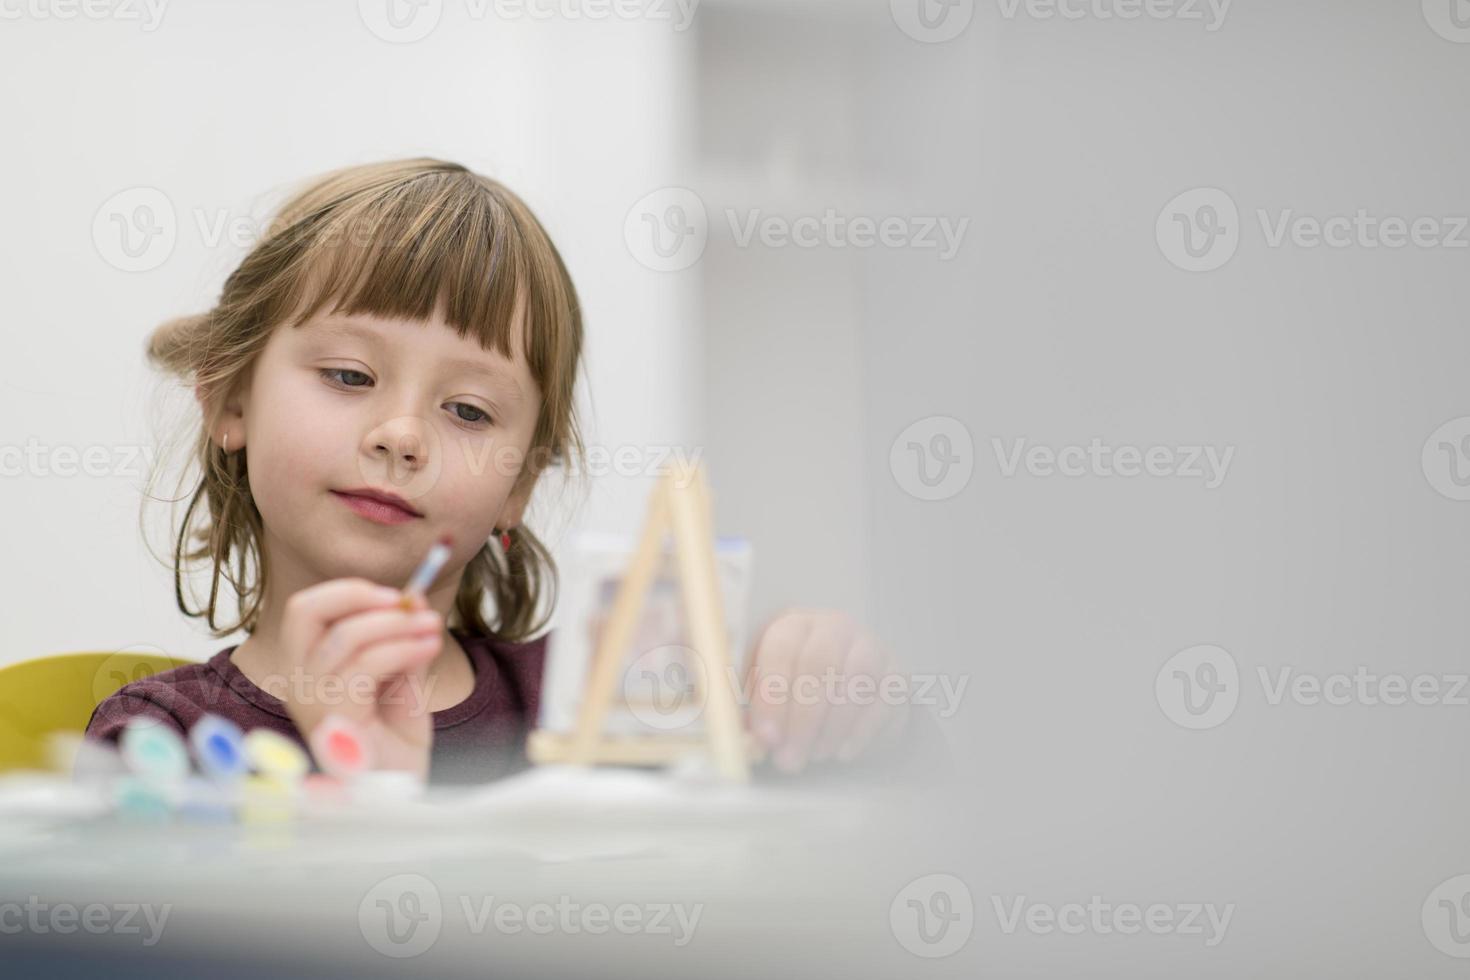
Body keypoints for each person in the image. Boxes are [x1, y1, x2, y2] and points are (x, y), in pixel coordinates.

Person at [85, 158, 920, 785]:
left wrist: (839, 695)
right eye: (348, 375)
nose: (402, 435)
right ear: (230, 400)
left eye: (470, 412)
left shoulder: (615, 708)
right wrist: (363, 790)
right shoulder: (161, 745)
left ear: (520, 482)